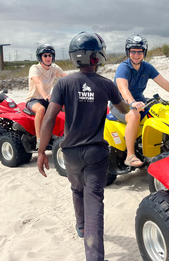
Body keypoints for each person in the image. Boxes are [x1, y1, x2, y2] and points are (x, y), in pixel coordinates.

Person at [37, 32, 129, 261]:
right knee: (95, 200)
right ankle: (94, 257)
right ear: (97, 57)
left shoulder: (64, 83)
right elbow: (124, 109)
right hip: (96, 152)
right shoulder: (106, 85)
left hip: (70, 152)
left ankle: (80, 226)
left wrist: (41, 151)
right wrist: (129, 105)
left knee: (77, 189)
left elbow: (49, 119)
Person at [110, 34, 169, 167]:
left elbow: (163, 82)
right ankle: (130, 155)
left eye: (139, 51)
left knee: (163, 108)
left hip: (140, 101)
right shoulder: (123, 68)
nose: (136, 55)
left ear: (144, 52)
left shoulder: (147, 67)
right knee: (134, 115)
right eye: (133, 51)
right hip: (121, 104)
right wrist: (132, 102)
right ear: (128, 52)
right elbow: (122, 88)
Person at [26, 44, 66, 148]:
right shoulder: (34, 68)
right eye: (45, 56)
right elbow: (38, 82)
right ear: (40, 57)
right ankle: (39, 140)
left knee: (66, 107)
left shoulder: (54, 68)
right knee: (41, 110)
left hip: (48, 99)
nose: (48, 58)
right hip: (34, 100)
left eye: (50, 55)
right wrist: (45, 96)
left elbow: (65, 77)